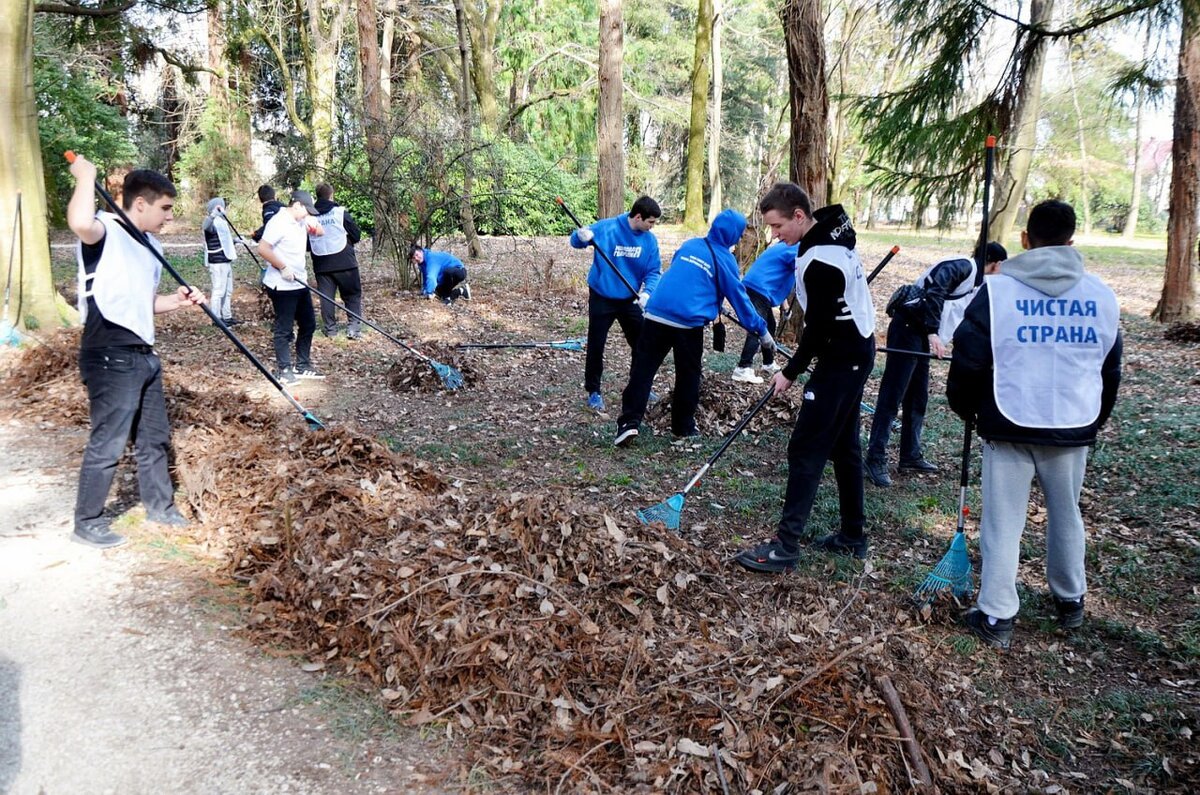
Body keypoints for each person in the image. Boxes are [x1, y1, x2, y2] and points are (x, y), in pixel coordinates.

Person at [947, 200, 1122, 650]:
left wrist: (968, 409)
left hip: (1008, 422)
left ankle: (997, 614)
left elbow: (968, 358)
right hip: (1072, 422)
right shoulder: (1101, 295)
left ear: (1025, 239)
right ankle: (1071, 599)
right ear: (1071, 241)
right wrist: (1093, 420)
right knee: (1067, 514)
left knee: (1003, 522)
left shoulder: (997, 291)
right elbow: (1111, 367)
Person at [66, 155, 207, 549]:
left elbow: (144, 302)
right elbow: (79, 223)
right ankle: (88, 521)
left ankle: (160, 507)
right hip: (109, 350)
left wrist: (177, 302)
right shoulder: (105, 229)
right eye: (164, 208)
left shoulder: (151, 246)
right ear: (140, 203)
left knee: (154, 437)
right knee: (109, 439)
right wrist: (86, 175)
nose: (168, 217)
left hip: (144, 352)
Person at [734, 184, 876, 571]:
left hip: (842, 359)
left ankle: (785, 547)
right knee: (845, 447)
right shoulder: (831, 239)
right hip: (854, 353)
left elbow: (818, 329)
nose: (775, 235)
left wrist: (791, 372)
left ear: (799, 215)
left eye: (778, 226)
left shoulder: (819, 260)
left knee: (806, 449)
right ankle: (852, 534)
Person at [613, 209, 772, 446]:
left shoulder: (690, 245)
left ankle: (628, 423)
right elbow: (741, 300)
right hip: (687, 324)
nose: (739, 239)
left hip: (655, 314)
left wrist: (712, 299)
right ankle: (683, 428)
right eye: (738, 234)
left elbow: (686, 277)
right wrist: (762, 330)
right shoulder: (725, 259)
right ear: (731, 234)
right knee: (688, 376)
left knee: (643, 371)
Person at [863, 241, 1008, 487]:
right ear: (996, 263)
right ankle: (875, 457)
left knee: (917, 397)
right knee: (893, 395)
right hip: (908, 327)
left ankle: (910, 454)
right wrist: (932, 333)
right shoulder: (964, 267)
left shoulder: (979, 283)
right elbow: (936, 289)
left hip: (920, 333)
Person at [570, 196, 663, 413]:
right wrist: (580, 237)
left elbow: (653, 271)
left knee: (641, 344)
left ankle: (640, 386)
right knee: (596, 344)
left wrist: (647, 293)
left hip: (629, 299)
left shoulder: (649, 241)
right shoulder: (607, 228)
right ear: (638, 217)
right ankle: (594, 391)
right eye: (650, 222)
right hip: (602, 295)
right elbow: (576, 242)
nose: (652, 227)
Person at [257, 190, 325, 385]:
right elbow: (262, 248)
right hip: (281, 283)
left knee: (308, 324)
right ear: (296, 206)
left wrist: (313, 224)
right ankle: (284, 369)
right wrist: (282, 266)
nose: (307, 214)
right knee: (284, 328)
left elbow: (321, 232)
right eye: (306, 211)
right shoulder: (278, 222)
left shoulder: (301, 220)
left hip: (299, 281)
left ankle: (302, 365)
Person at [732, 240, 799, 384]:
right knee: (757, 328)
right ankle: (743, 368)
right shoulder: (797, 248)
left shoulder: (786, 245)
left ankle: (768, 363)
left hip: (758, 286)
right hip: (759, 288)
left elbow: (780, 277)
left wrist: (785, 306)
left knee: (769, 325)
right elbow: (803, 272)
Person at [309, 183, 364, 339]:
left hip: (321, 262)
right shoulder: (340, 213)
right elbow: (356, 234)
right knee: (352, 295)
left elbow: (307, 243)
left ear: (317, 196)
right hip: (344, 260)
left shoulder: (310, 216)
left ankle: (330, 330)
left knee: (327, 298)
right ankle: (353, 328)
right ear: (331, 195)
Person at [202, 197, 240, 326]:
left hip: (226, 259)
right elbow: (206, 227)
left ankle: (227, 316)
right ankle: (216, 318)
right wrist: (213, 215)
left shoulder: (222, 222)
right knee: (219, 290)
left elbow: (224, 239)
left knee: (228, 290)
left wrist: (236, 241)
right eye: (221, 206)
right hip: (217, 261)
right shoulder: (212, 221)